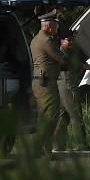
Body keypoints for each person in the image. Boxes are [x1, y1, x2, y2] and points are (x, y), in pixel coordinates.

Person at [54, 27, 90, 152]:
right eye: (69, 40)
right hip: (68, 87)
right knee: (76, 115)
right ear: (62, 41)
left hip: (65, 86)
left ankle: (58, 144)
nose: (71, 42)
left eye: (72, 39)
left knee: (64, 116)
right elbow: (67, 64)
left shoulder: (70, 51)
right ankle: (81, 144)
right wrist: (84, 66)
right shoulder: (61, 53)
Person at [30, 10, 65, 156]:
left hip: (41, 83)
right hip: (46, 84)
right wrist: (83, 65)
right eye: (56, 26)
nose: (57, 29)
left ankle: (42, 149)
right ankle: (39, 147)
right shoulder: (46, 41)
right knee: (51, 115)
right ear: (49, 25)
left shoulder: (36, 39)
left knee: (44, 116)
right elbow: (62, 59)